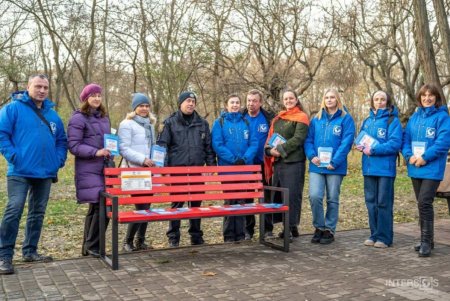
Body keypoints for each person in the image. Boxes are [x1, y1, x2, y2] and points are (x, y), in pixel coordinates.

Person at [0, 74, 67, 275]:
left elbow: (62, 141)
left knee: (37, 212)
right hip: (19, 171)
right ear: (28, 87)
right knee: (14, 209)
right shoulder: (12, 109)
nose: (42, 90)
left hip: (45, 172)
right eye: (38, 86)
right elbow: (2, 134)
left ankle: (30, 251)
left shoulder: (53, 115)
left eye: (45, 87)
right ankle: (4, 256)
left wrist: (58, 160)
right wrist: (13, 156)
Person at [157, 91, 216, 247]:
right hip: (177, 172)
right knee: (177, 205)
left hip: (197, 171)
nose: (190, 104)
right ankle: (173, 237)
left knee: (196, 205)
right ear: (180, 103)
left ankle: (196, 236)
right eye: (188, 101)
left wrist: (210, 164)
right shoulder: (170, 122)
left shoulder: (202, 123)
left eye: (193, 101)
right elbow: (162, 145)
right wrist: (164, 171)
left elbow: (208, 147)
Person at [402, 83, 450, 257]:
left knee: (424, 202)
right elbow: (405, 139)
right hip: (415, 167)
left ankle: (426, 241)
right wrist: (409, 156)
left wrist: (425, 157)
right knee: (421, 204)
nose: (427, 98)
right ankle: (428, 240)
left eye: (431, 95)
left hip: (432, 167)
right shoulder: (415, 118)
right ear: (419, 98)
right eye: (424, 96)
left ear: (437, 98)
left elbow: (443, 142)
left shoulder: (442, 117)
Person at [67, 83, 113, 258]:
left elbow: (107, 141)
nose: (97, 98)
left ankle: (88, 247)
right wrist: (95, 152)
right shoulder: (78, 118)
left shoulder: (104, 117)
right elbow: (74, 145)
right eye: (92, 95)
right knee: (103, 204)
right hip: (88, 169)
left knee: (95, 207)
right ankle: (94, 245)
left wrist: (110, 151)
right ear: (86, 99)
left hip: (105, 167)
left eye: (99, 95)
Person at [305, 88, 355, 244]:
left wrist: (335, 161)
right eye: (326, 97)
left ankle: (329, 229)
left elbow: (347, 142)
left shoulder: (346, 119)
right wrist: (312, 156)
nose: (329, 100)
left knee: (332, 198)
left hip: (335, 166)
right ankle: (319, 227)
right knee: (315, 196)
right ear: (323, 100)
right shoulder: (316, 119)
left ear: (338, 99)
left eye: (332, 97)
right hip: (317, 166)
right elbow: (308, 140)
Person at [356, 90, 402, 248]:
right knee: (371, 202)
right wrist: (360, 146)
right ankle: (374, 234)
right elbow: (361, 139)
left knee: (383, 202)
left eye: (383, 99)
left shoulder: (393, 121)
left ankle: (384, 237)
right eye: (376, 99)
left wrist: (374, 150)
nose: (379, 101)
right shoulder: (367, 121)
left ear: (387, 101)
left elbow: (395, 144)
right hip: (368, 168)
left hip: (385, 169)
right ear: (372, 101)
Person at [212, 94, 258, 242]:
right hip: (228, 168)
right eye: (232, 102)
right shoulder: (219, 122)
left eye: (237, 102)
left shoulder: (246, 122)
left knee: (241, 201)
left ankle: (240, 233)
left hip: (245, 168)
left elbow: (254, 143)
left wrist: (245, 158)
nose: (235, 105)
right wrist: (233, 159)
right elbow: (217, 144)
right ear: (226, 105)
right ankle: (229, 235)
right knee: (230, 200)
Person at [264, 89, 309, 241]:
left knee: (292, 195)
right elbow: (270, 139)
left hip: (294, 162)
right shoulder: (278, 119)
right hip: (278, 163)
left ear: (296, 100)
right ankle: (289, 225)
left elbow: (298, 139)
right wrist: (270, 151)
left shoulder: (302, 117)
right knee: (280, 195)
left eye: (291, 98)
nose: (288, 101)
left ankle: (289, 227)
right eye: (286, 99)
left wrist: (281, 149)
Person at [118, 93, 157, 252]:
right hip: (134, 171)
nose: (144, 109)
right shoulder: (127, 124)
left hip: (149, 171)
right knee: (140, 206)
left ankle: (141, 241)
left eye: (147, 106)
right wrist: (143, 159)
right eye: (141, 106)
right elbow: (123, 148)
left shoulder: (150, 124)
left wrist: (156, 159)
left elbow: (152, 146)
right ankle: (128, 241)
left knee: (146, 206)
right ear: (135, 108)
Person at [242, 89, 275, 240]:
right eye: (249, 100)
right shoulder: (241, 118)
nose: (251, 103)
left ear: (260, 102)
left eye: (254, 101)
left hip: (264, 164)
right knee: (247, 197)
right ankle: (248, 230)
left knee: (266, 196)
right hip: (247, 165)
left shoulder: (268, 118)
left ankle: (268, 229)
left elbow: (275, 138)